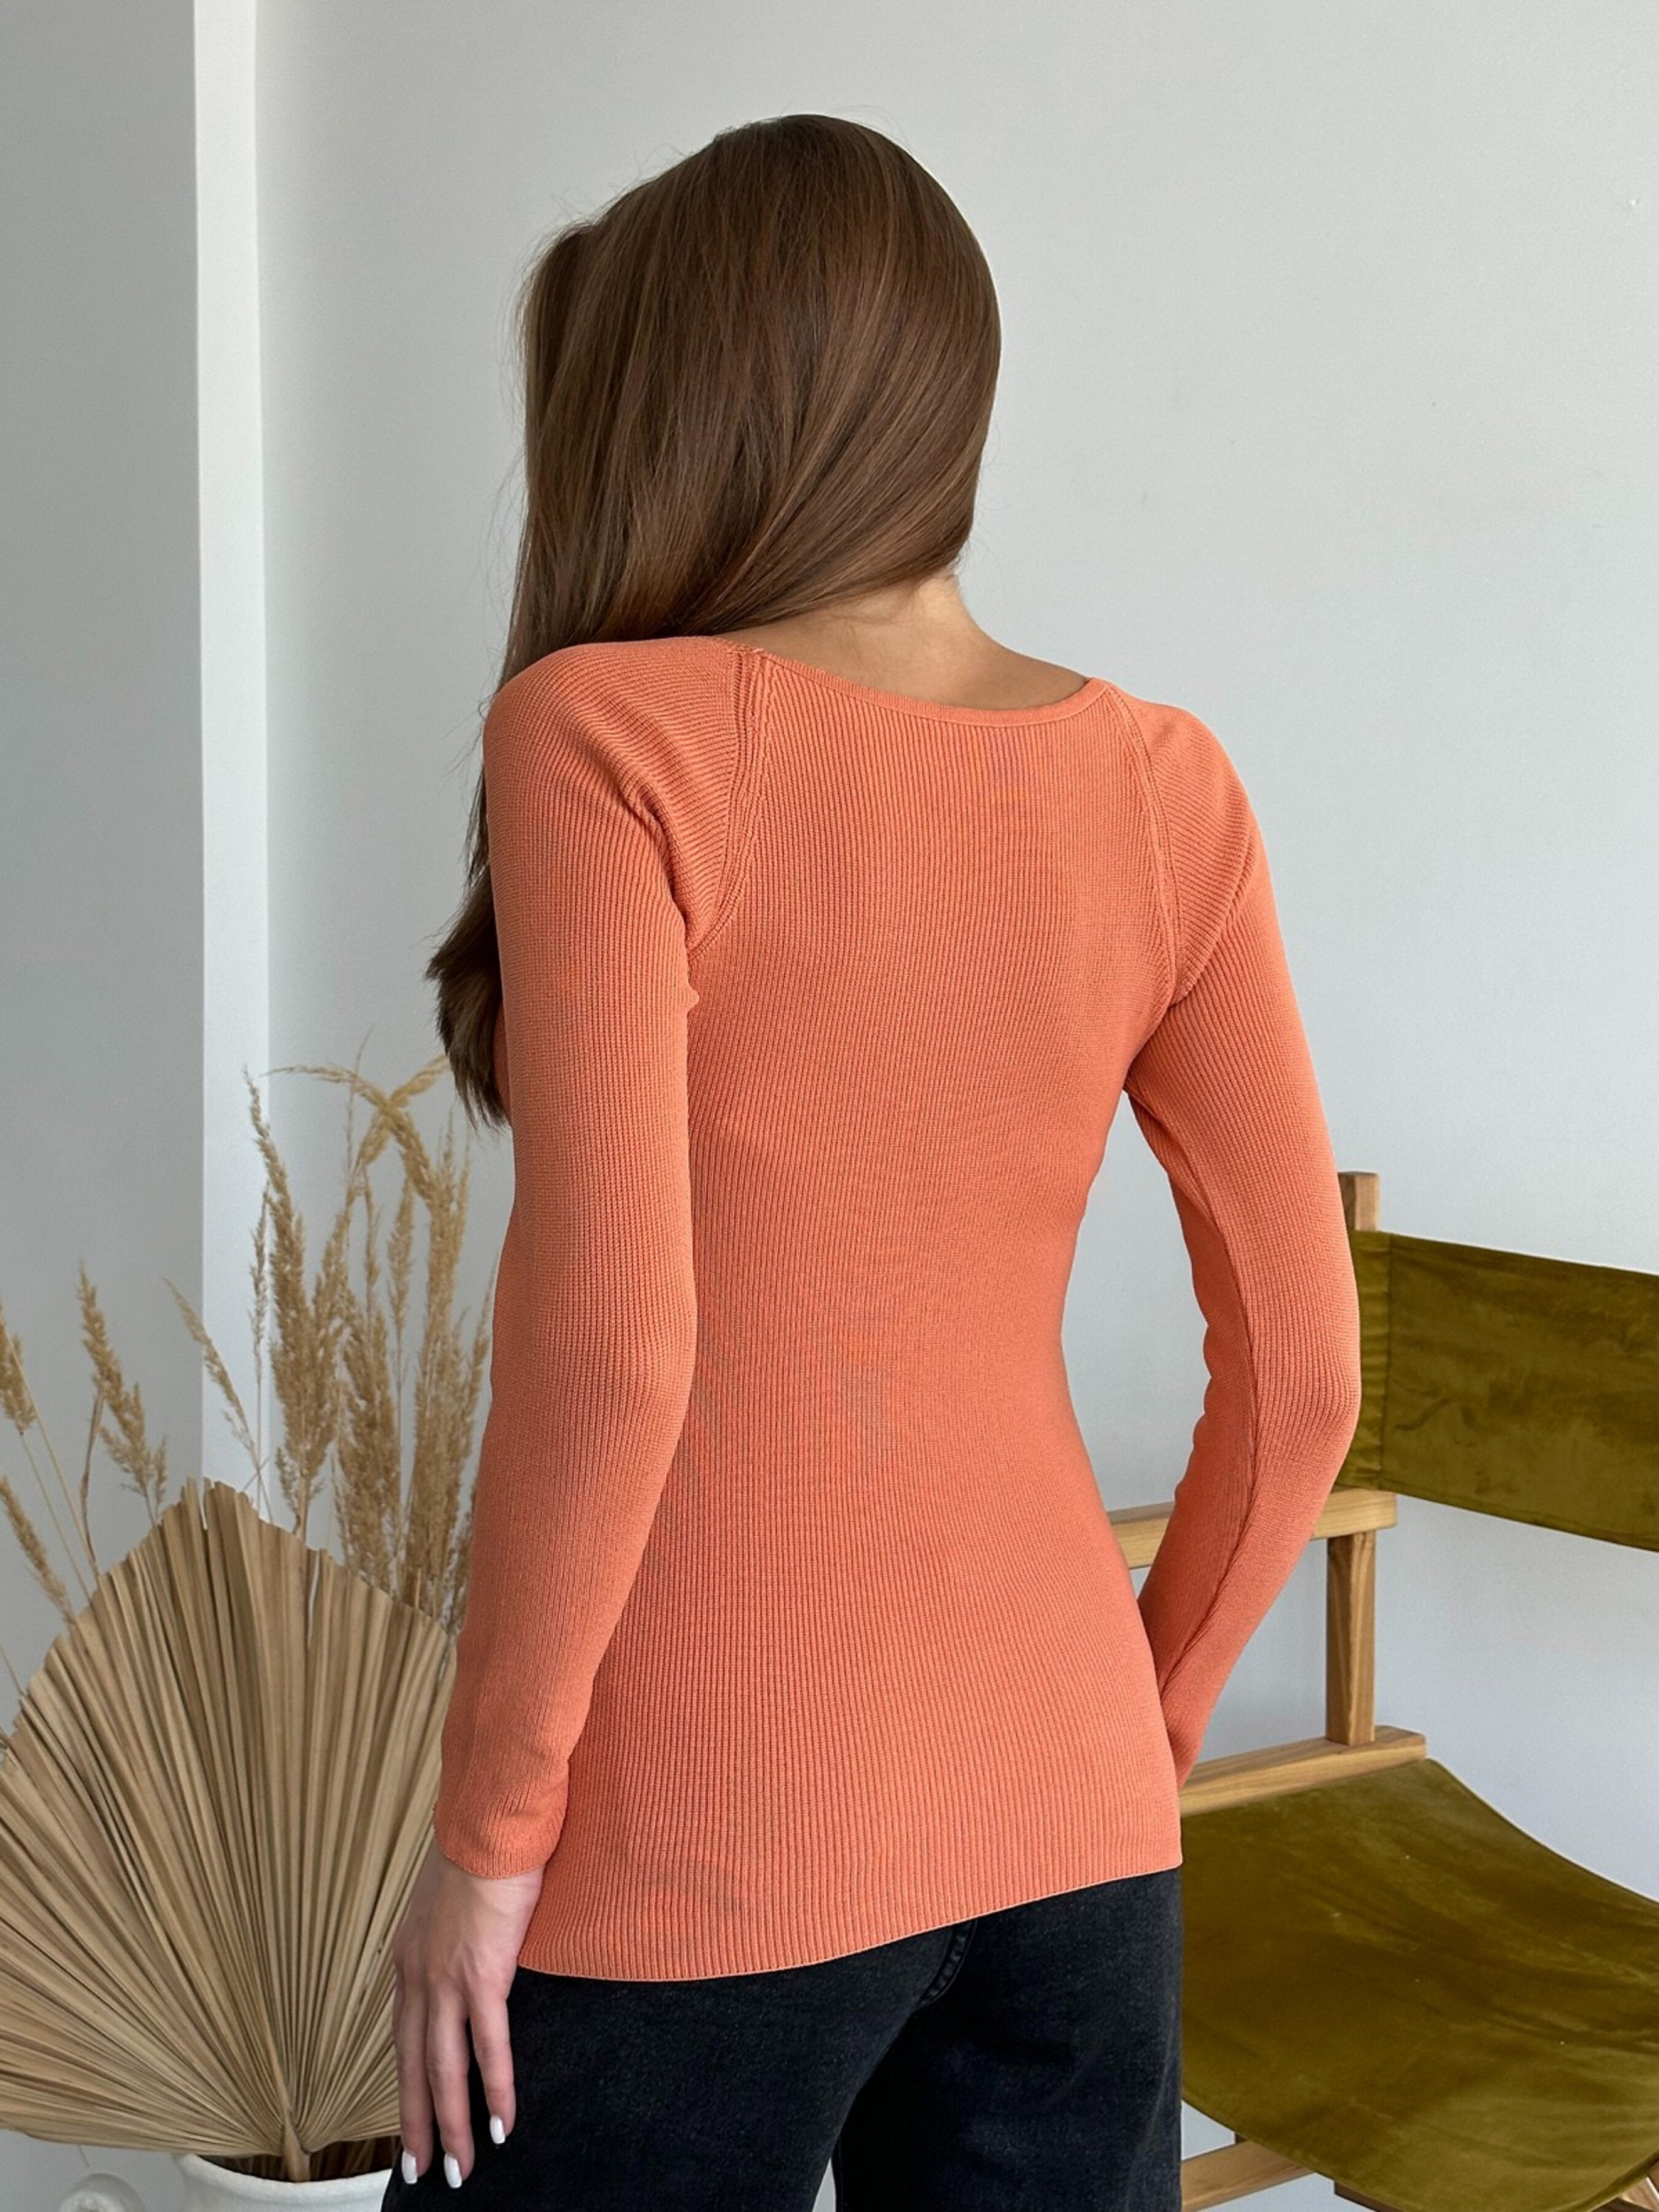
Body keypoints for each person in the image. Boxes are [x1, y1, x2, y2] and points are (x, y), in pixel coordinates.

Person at [383, 111, 1362, 2210]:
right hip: (1070, 1807)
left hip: (702, 1819)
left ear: (669, 408)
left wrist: (485, 1840)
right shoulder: (1166, 784)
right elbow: (1303, 1376)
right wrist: (1138, 1728)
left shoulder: (604, 732)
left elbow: (618, 1355)